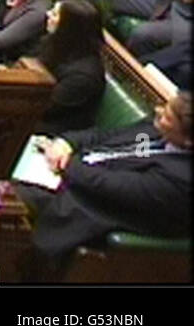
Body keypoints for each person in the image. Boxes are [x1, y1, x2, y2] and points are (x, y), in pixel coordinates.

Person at [18, 90, 191, 277]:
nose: (158, 111)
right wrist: (66, 143)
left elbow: (114, 187)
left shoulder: (182, 178)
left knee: (6, 202)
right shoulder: (155, 128)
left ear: (189, 141)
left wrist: (66, 164)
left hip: (90, 206)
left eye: (168, 116)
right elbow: (106, 136)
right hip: (70, 173)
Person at [36, 0, 107, 135]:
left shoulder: (83, 76)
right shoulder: (53, 42)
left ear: (69, 26)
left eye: (55, 14)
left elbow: (45, 108)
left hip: (53, 129)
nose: (48, 14)